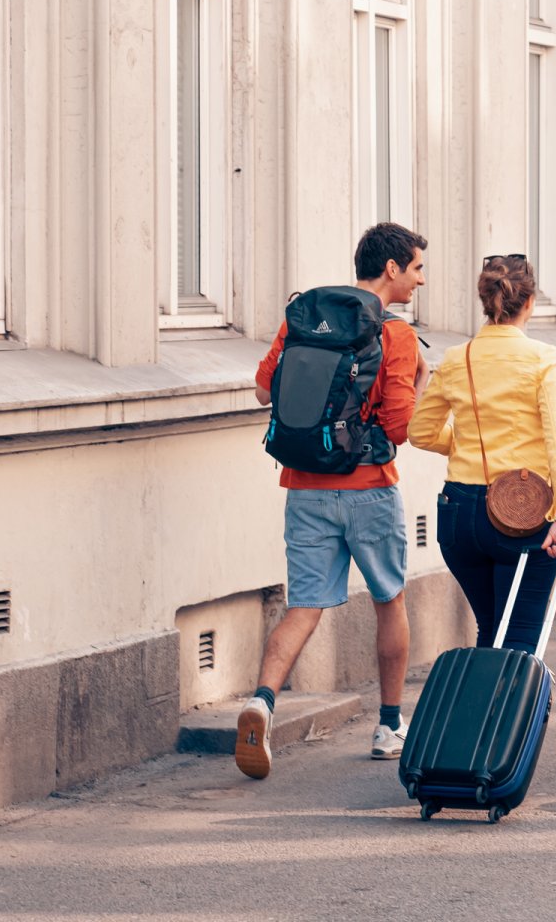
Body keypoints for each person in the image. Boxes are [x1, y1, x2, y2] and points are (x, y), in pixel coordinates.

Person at [236, 223, 430, 780]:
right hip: (369, 488)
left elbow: (264, 390)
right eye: (416, 268)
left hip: (304, 486)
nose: (420, 279)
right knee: (389, 600)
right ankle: (389, 726)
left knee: (304, 607)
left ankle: (262, 703)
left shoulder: (305, 316)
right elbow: (399, 428)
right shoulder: (396, 335)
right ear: (391, 268)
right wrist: (421, 381)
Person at [409, 254, 556, 653]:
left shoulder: (458, 358)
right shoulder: (544, 359)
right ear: (530, 302)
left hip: (459, 514)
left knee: (491, 630)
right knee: (520, 636)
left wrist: (465, 441)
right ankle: (512, 699)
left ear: (485, 301)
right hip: (521, 510)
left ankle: (484, 697)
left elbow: (420, 432)